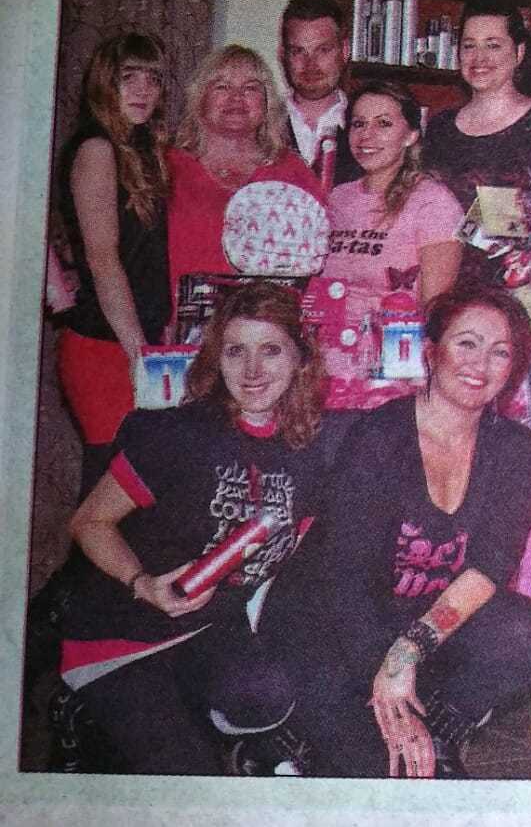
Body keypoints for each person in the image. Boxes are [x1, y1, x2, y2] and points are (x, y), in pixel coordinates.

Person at [270, 284, 531, 778]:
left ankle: (434, 732)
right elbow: (345, 580)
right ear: (431, 350)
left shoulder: (515, 448)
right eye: (466, 343)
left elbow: (490, 566)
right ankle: (301, 736)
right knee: (380, 779)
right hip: (330, 625)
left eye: (500, 351)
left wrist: (407, 654)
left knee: (524, 629)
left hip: (413, 627)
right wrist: (386, 675)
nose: (480, 363)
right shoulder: (380, 435)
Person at [55, 282, 330, 775]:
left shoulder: (308, 448)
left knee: (265, 696)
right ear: (215, 358)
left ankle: (181, 721)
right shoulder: (176, 436)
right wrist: (143, 584)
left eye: (270, 350)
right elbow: (88, 522)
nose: (251, 371)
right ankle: (84, 716)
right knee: (189, 779)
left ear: (299, 359)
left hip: (205, 628)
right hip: (122, 631)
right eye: (235, 351)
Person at [52, 32, 174, 493]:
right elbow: (104, 263)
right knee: (106, 498)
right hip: (104, 346)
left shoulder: (140, 150)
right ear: (106, 82)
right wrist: (138, 353)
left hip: (127, 339)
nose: (143, 90)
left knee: (125, 499)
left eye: (153, 79)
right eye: (129, 78)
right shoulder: (98, 148)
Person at [318, 82, 463, 408]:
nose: (366, 136)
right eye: (358, 124)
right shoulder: (337, 199)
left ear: (411, 135)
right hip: (324, 370)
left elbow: (435, 312)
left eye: (383, 124)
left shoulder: (433, 203)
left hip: (392, 375)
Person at [166, 44, 326, 294]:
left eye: (250, 88)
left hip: (265, 327)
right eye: (222, 86)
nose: (236, 97)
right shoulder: (166, 167)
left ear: (266, 103)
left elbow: (320, 255)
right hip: (174, 324)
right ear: (200, 98)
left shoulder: (292, 171)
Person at [421, 0, 531, 214]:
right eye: (469, 45)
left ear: (519, 53)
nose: (479, 57)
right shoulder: (440, 128)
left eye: (493, 45)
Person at [279, 0, 363, 187]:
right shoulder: (260, 124)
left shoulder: (367, 129)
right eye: (298, 51)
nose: (311, 65)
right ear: (283, 55)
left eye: (323, 50)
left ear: (344, 51)